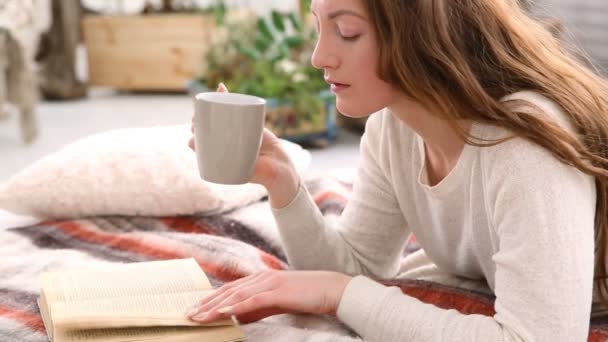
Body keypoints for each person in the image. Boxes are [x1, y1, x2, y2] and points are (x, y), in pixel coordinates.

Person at [186, 0, 608, 340]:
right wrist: (283, 182)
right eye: (318, 26)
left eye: (347, 31)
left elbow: (538, 338)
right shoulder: (394, 129)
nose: (319, 57)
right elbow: (356, 269)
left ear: (420, 34)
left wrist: (340, 294)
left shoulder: (524, 144)